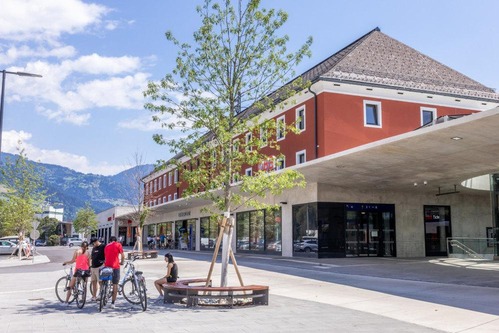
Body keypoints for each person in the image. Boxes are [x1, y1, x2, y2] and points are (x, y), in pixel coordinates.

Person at [63, 241, 90, 306]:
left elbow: (72, 261)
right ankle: (83, 299)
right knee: (85, 285)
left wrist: (66, 262)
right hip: (86, 270)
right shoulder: (88, 253)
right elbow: (89, 263)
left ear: (81, 246)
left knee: (71, 286)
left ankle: (66, 302)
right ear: (87, 247)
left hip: (78, 271)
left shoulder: (77, 251)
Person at [103, 236, 125, 308]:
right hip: (115, 266)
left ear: (109, 240)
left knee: (105, 281)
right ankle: (113, 303)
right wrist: (122, 262)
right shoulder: (118, 245)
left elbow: (105, 256)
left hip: (107, 266)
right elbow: (123, 255)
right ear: (115, 240)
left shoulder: (106, 246)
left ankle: (103, 293)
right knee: (115, 284)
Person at [89, 237, 105, 301]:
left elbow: (106, 255)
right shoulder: (94, 248)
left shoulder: (103, 246)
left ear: (96, 241)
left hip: (100, 266)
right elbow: (92, 257)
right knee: (93, 282)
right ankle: (94, 296)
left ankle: (101, 295)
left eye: (93, 243)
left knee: (100, 282)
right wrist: (90, 265)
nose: (93, 245)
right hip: (93, 267)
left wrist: (104, 262)